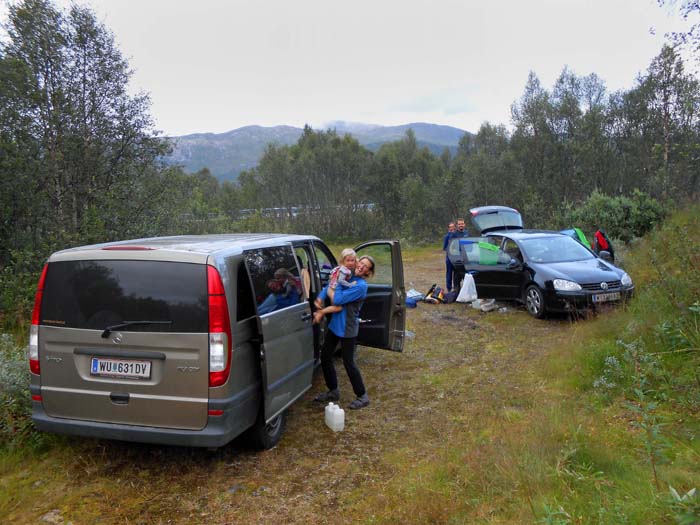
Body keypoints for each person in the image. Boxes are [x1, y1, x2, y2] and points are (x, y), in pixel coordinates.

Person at [312, 254, 375, 410]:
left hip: (348, 327)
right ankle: (333, 391)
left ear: (368, 272)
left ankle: (362, 396)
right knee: (325, 356)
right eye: (362, 263)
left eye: (366, 267)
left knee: (349, 362)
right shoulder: (347, 274)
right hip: (335, 324)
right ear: (357, 261)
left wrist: (334, 289)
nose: (362, 266)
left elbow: (338, 300)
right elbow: (329, 286)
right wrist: (320, 297)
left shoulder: (360, 286)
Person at [448, 217, 468, 290]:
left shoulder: (466, 233)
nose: (461, 225)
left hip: (466, 258)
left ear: (464, 224)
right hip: (457, 259)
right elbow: (450, 246)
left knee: (466, 276)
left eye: (462, 224)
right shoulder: (454, 234)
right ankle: (456, 292)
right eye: (459, 224)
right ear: (457, 225)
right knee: (456, 277)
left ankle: (466, 293)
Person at [442, 221, 456, 291]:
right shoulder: (446, 236)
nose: (451, 228)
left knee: (456, 274)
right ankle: (449, 288)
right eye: (450, 227)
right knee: (449, 273)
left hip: (457, 257)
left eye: (453, 227)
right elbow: (444, 248)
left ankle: (457, 288)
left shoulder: (457, 235)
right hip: (449, 257)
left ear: (455, 227)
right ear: (448, 228)